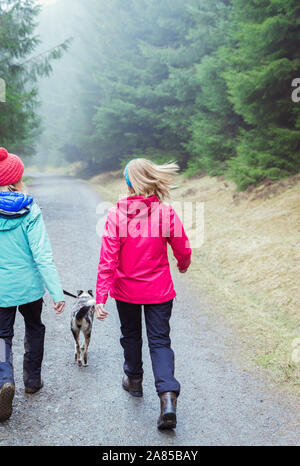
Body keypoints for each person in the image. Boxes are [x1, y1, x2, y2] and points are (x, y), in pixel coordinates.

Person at [95, 158, 191, 429]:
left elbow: (108, 260)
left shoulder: (116, 214)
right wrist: (183, 265)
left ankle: (134, 381)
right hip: (159, 290)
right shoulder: (165, 212)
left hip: (126, 291)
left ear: (127, 183)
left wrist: (101, 297)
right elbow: (183, 247)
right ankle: (168, 397)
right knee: (160, 341)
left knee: (131, 335)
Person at [0, 147, 65, 422]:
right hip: (30, 288)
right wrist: (57, 291)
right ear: (17, 178)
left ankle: (4, 378)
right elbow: (42, 254)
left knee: (2, 337)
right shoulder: (30, 208)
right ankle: (32, 379)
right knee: (34, 327)